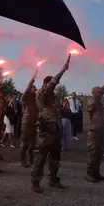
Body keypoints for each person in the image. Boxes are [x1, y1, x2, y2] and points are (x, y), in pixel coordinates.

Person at [31, 61, 69, 193]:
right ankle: (35, 182)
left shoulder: (54, 97)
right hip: (45, 133)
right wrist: (62, 70)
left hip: (56, 131)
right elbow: (52, 84)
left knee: (55, 158)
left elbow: (58, 110)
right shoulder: (41, 94)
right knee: (40, 158)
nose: (53, 87)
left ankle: (53, 179)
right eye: (51, 85)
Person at [86, 76, 104, 183]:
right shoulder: (92, 100)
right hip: (94, 131)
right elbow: (98, 95)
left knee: (100, 153)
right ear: (94, 93)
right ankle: (90, 173)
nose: (100, 93)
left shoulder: (98, 102)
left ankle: (96, 173)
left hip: (100, 130)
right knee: (93, 153)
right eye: (98, 91)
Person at [19, 75, 38, 168]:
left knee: (33, 144)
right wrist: (31, 82)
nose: (35, 90)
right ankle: (23, 161)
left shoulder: (36, 101)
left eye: (35, 89)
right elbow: (26, 92)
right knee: (25, 143)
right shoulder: (25, 100)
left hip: (34, 124)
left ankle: (31, 160)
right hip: (26, 123)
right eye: (33, 89)